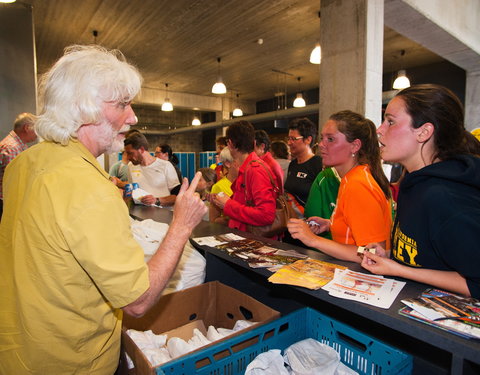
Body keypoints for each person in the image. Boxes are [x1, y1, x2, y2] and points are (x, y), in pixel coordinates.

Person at [0, 45, 207, 375]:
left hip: (19, 349)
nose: (133, 116)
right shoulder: (91, 189)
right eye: (122, 104)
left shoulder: (22, 165)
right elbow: (137, 300)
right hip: (71, 361)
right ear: (84, 108)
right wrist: (182, 224)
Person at [361, 84, 480, 298]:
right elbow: (429, 255)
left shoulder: (444, 196)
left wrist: (399, 269)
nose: (379, 130)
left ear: (424, 132)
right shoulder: (415, 184)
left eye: (390, 121)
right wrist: (391, 256)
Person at [287, 110, 392, 263]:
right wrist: (331, 224)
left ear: (355, 146)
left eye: (330, 139)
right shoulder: (351, 178)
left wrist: (313, 240)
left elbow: (373, 254)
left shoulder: (357, 184)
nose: (321, 145)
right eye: (322, 138)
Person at [210, 121, 276, 234]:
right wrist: (222, 201)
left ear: (230, 144)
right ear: (254, 143)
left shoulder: (255, 170)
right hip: (244, 237)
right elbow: (246, 203)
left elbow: (266, 215)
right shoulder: (247, 168)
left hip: (254, 242)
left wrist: (228, 204)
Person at [124, 132, 181, 206]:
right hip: (140, 214)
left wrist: (156, 200)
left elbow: (177, 197)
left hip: (162, 214)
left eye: (130, 153)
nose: (128, 157)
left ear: (141, 149)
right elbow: (132, 192)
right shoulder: (130, 166)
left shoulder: (166, 166)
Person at [0, 112, 37, 217]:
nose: (37, 134)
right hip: (7, 202)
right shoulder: (11, 147)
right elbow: (15, 180)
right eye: (36, 130)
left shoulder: (20, 144)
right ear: (27, 128)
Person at [284, 118, 323, 216]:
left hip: (311, 224)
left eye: (293, 139)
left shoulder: (318, 164)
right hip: (291, 223)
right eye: (288, 138)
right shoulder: (293, 164)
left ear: (308, 140)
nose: (289, 143)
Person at [303, 167, 341, 240]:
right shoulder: (362, 177)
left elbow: (312, 213)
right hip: (327, 243)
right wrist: (329, 225)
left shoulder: (324, 177)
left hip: (323, 244)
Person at [209, 147, 237, 225]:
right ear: (228, 163)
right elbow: (213, 220)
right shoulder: (219, 187)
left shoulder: (247, 182)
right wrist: (233, 217)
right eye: (239, 160)